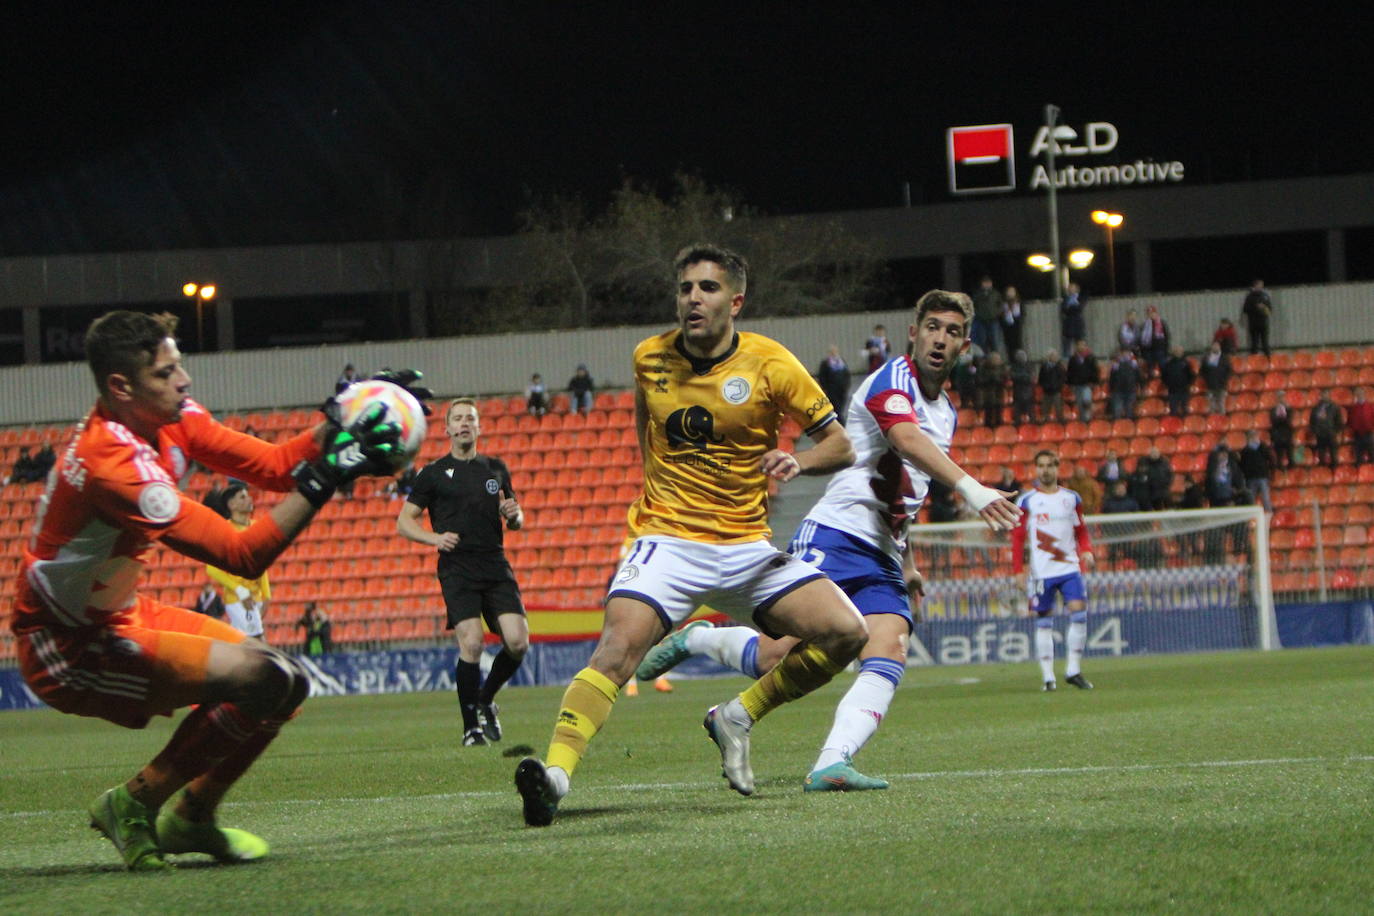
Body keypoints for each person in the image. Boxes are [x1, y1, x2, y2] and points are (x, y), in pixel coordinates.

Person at [8, 310, 413, 870]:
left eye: (179, 365)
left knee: (287, 683)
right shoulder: (112, 465)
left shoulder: (168, 418)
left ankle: (191, 818)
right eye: (165, 373)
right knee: (265, 678)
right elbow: (242, 555)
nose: (184, 380)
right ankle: (133, 803)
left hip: (119, 614)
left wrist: (341, 422)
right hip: (67, 644)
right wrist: (330, 474)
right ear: (121, 387)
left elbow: (274, 466)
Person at [513, 243, 869, 826]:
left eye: (707, 288)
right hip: (669, 541)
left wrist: (798, 461)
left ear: (736, 301)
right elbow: (646, 425)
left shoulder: (771, 363)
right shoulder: (649, 357)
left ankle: (738, 715)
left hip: (746, 547)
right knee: (617, 649)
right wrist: (658, 496)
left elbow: (841, 445)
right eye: (685, 289)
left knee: (847, 633)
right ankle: (554, 777)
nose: (693, 299)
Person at [633, 288, 1021, 790]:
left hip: (884, 553)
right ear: (913, 333)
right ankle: (699, 638)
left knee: (890, 648)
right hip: (837, 535)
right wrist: (973, 488)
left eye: (952, 332)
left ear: (965, 346)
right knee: (775, 657)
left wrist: (906, 562)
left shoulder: (945, 409)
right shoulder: (891, 381)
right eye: (932, 328)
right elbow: (904, 439)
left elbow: (907, 489)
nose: (940, 339)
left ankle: (831, 763)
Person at [398, 398, 528, 747]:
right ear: (447, 429)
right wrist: (435, 538)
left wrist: (514, 516)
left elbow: (516, 518)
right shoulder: (433, 473)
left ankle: (485, 699)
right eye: (457, 419)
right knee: (471, 643)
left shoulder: (495, 468)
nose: (464, 423)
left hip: (495, 563)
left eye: (470, 418)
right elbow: (404, 521)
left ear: (479, 427)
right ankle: (471, 728)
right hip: (457, 567)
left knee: (518, 642)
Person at [1011, 450, 1095, 692]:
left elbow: (1081, 530)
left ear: (1058, 468)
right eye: (1041, 466)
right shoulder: (1027, 501)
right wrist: (1018, 570)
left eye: (1049, 465)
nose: (1045, 470)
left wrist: (1087, 551)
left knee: (1079, 611)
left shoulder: (1071, 499)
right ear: (1036, 469)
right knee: (1044, 620)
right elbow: (1017, 538)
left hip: (1069, 567)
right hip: (1041, 572)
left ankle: (1073, 670)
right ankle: (1048, 678)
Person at [205, 482, 269, 639]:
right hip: (238, 599)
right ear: (231, 505)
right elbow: (211, 568)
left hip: (255, 597)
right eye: (243, 497)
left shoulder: (256, 527)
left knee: (242, 642)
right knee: (257, 641)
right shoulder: (225, 531)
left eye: (248, 496)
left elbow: (261, 564)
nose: (249, 499)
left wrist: (266, 595)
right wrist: (240, 591)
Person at [1238, 430, 1276, 513]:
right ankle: (1252, 515)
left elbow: (1271, 460)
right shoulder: (1245, 451)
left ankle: (1269, 514)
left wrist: (1271, 473)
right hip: (1251, 478)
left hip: (1262, 476)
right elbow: (1242, 465)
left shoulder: (1263, 447)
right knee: (1251, 499)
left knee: (1265, 498)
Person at [815, 344, 851, 424]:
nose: (834, 353)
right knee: (836, 408)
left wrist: (847, 385)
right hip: (831, 390)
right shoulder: (825, 363)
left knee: (841, 407)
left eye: (835, 351)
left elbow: (847, 375)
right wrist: (825, 388)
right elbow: (822, 377)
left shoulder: (842, 362)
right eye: (832, 352)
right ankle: (841, 422)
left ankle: (839, 421)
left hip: (842, 390)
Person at [1308, 390, 1343, 470]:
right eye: (1323, 395)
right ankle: (1322, 470)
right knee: (1321, 454)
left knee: (1333, 454)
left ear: (1329, 395)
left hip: (1331, 434)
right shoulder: (1316, 408)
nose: (1324, 396)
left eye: (1326, 395)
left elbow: (1339, 421)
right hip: (1320, 434)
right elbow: (1312, 421)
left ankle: (1334, 470)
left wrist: (1335, 431)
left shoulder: (1334, 407)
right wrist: (1315, 431)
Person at [1066, 339, 1099, 421]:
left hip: (1087, 384)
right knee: (1080, 405)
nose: (1081, 347)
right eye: (1079, 345)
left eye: (1083, 345)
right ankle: (1083, 420)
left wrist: (1094, 382)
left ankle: (1088, 415)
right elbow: (1070, 372)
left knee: (1086, 400)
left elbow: (1095, 370)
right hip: (1077, 385)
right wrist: (1070, 383)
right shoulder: (1073, 359)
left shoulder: (1091, 358)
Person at [970, 275, 1003, 356]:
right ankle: (984, 359)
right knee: (983, 341)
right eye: (985, 282)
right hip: (981, 321)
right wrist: (978, 314)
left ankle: (996, 358)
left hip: (993, 320)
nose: (987, 284)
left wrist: (997, 313)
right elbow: (973, 305)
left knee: (995, 341)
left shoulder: (995, 293)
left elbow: (1000, 304)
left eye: (988, 282)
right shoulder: (977, 294)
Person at [1108, 347, 1142, 421]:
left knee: (1129, 412)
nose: (1125, 354)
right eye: (1123, 352)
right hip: (1118, 391)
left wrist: (1140, 386)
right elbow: (1112, 378)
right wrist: (1111, 389)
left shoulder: (1134, 364)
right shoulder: (1116, 365)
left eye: (1127, 352)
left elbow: (1138, 376)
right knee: (1117, 412)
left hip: (1130, 390)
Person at [1136, 446, 1174, 511]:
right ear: (1149, 454)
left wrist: (1166, 484)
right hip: (1148, 491)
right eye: (1153, 453)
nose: (1154, 454)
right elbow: (1141, 475)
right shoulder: (1143, 462)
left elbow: (1170, 475)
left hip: (1162, 489)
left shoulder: (1164, 462)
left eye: (1156, 453)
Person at [1205, 442, 1244, 506]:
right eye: (1221, 454)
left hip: (1229, 498)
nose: (1224, 455)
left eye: (1225, 454)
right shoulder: (1212, 467)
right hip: (1215, 498)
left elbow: (1238, 480)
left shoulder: (1232, 466)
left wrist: (1235, 493)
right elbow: (1209, 481)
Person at [1241, 279, 1273, 357]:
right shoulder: (1249, 297)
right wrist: (1256, 307)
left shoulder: (1265, 296)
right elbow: (1245, 309)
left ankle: (1268, 359)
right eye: (1259, 285)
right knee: (1254, 343)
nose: (1261, 287)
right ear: (1255, 286)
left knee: (1265, 343)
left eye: (1262, 285)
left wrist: (1264, 308)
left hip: (1264, 323)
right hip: (1253, 323)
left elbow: (1270, 309)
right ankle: (1254, 360)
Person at [1161, 345, 1195, 418]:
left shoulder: (1186, 364)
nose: (1178, 352)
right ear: (1173, 353)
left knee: (1185, 409)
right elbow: (1164, 376)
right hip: (1173, 391)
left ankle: (1185, 422)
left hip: (1184, 390)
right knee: (1173, 411)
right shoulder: (1168, 364)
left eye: (1180, 351)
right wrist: (1169, 384)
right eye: (1176, 351)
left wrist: (1187, 384)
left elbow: (1191, 375)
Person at [977, 349, 1008, 428]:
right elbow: (979, 380)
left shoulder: (1002, 369)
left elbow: (1005, 380)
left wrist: (999, 381)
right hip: (988, 395)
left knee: (999, 412)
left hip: (999, 394)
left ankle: (999, 425)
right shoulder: (983, 368)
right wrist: (989, 379)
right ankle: (988, 427)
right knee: (988, 413)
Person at [1201, 342, 1232, 415]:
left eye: (1217, 346)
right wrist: (1207, 380)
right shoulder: (1206, 358)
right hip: (1210, 386)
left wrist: (1224, 380)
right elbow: (1202, 370)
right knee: (1211, 406)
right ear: (1211, 347)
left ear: (1219, 347)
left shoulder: (1225, 358)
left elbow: (1229, 370)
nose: (1215, 347)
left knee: (1221, 405)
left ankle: (1222, 420)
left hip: (1222, 385)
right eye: (1214, 346)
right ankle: (1212, 420)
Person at [1139, 305, 1170, 376]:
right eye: (1149, 313)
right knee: (1149, 368)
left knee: (1163, 366)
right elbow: (1141, 339)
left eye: (1152, 313)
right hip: (1148, 350)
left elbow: (1166, 337)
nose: (1151, 315)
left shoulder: (1161, 323)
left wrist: (1166, 350)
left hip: (1159, 349)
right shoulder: (1144, 325)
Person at [1269, 390, 1296, 469]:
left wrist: (1281, 419)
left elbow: (1289, 420)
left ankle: (1291, 470)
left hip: (1287, 434)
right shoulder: (1273, 409)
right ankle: (1279, 470)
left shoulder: (1288, 409)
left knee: (1290, 455)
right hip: (1277, 435)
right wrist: (1282, 419)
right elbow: (1273, 421)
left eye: (1282, 397)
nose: (1281, 398)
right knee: (1279, 456)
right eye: (1279, 397)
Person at [1009, 349, 1036, 426]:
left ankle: (1033, 426)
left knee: (1030, 411)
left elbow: (1030, 378)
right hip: (1017, 393)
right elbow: (1012, 376)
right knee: (1017, 412)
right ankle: (1017, 427)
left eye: (1023, 356)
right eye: (1019, 356)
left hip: (1028, 393)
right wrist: (1024, 376)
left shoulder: (1030, 366)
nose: (1021, 358)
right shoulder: (1014, 366)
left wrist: (1020, 376)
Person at [1037, 349, 1066, 422]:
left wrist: (1057, 386)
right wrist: (1045, 385)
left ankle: (1060, 422)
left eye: (1056, 356)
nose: (1055, 357)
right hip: (1046, 391)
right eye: (1053, 356)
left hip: (1056, 391)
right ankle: (1046, 423)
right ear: (1049, 357)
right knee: (1045, 409)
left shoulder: (1060, 367)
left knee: (1058, 408)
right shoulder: (1044, 367)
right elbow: (1041, 378)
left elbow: (1062, 378)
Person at [1059, 282, 1086, 358]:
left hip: (1078, 324)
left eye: (1072, 288)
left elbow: (1079, 308)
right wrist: (1073, 308)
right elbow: (1063, 309)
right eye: (1069, 288)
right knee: (1066, 345)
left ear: (1076, 289)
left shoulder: (1080, 298)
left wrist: (1070, 308)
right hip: (1068, 324)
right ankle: (1066, 359)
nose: (1070, 289)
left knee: (1080, 343)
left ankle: (1081, 358)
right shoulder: (1065, 298)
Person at [1348, 387, 1374, 467]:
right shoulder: (1353, 408)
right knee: (1359, 457)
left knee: (1372, 454)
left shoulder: (1370, 406)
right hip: (1357, 435)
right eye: (1357, 393)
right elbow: (1350, 420)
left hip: (1368, 434)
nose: (1359, 394)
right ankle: (1360, 471)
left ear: (1364, 394)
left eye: (1360, 393)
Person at [1001, 286, 1024, 356]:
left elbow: (1022, 313)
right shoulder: (1003, 303)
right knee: (1008, 343)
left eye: (1012, 291)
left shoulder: (1018, 302)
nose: (1011, 293)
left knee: (1017, 342)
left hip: (1016, 325)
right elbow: (1001, 314)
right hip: (1007, 325)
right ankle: (1010, 357)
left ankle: (1018, 357)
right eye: (1009, 291)